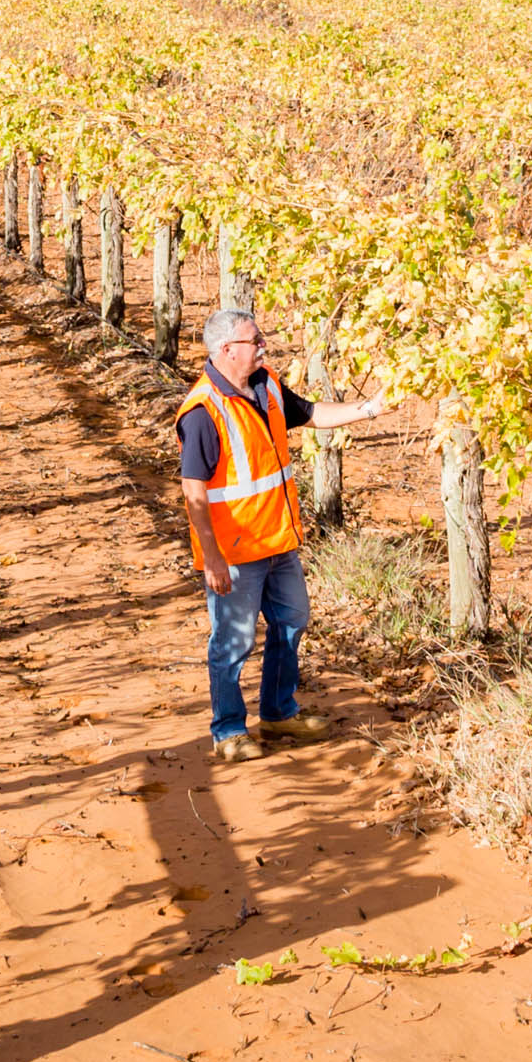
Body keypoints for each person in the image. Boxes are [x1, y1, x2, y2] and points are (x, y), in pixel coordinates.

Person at [176, 300, 391, 764]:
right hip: (235, 553)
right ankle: (229, 730)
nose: (263, 346)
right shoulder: (202, 412)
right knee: (232, 643)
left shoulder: (267, 383)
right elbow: (193, 492)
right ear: (227, 349)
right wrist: (211, 558)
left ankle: (278, 713)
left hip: (279, 542)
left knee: (292, 622)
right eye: (255, 341)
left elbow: (312, 414)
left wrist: (369, 409)